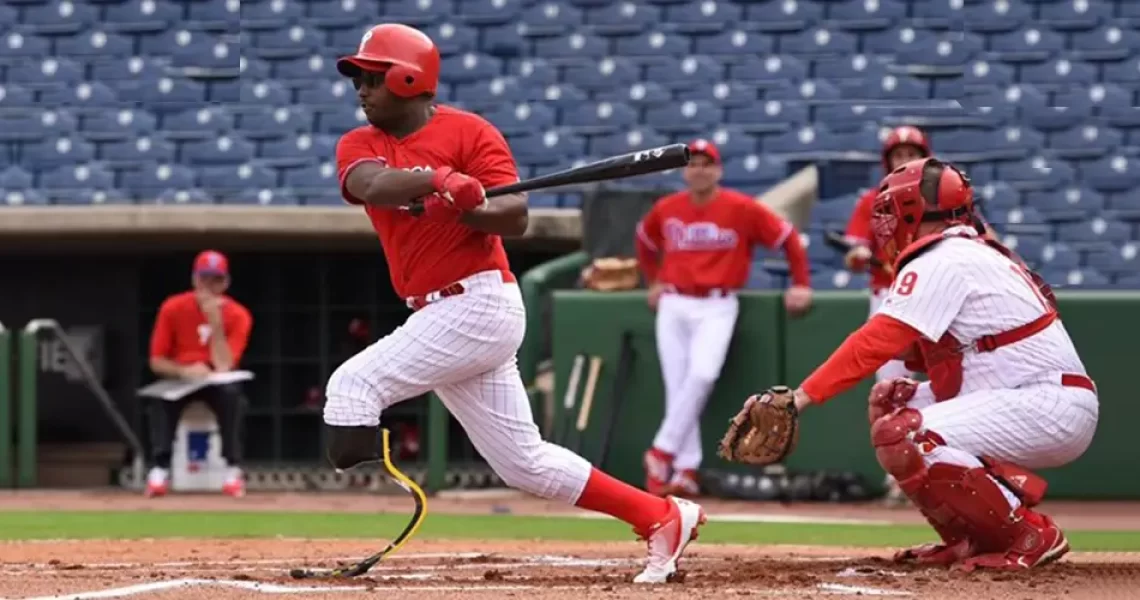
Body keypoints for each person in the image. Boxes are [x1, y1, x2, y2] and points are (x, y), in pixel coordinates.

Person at [327, 23, 704, 584]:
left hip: (477, 302)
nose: (361, 88)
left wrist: (469, 206)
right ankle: (660, 516)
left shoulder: (471, 132)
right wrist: (438, 179)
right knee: (523, 464)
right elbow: (372, 186)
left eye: (372, 77)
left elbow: (515, 217)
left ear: (408, 79)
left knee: (352, 387)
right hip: (438, 312)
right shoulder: (360, 143)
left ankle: (376, 505)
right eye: (358, 78)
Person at [755, 157, 1098, 570]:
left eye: (891, 213)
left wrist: (801, 397)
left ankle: (1029, 534)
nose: (885, 225)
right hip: (1023, 389)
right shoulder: (963, 250)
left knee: (906, 433)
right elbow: (928, 352)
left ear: (913, 211)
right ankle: (969, 538)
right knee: (892, 404)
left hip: (1045, 401)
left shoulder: (943, 258)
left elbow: (876, 341)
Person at [635, 139, 813, 498]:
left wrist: (801, 283)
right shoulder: (667, 208)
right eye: (693, 163)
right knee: (678, 387)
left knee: (702, 375)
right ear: (685, 171)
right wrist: (652, 281)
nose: (699, 170)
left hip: (718, 303)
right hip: (674, 302)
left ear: (718, 170)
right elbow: (645, 240)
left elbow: (788, 238)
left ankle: (661, 451)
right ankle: (685, 469)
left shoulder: (741, 207)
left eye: (706, 163)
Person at [145, 250, 253, 498]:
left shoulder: (238, 315)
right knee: (160, 400)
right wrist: (184, 371)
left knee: (233, 397)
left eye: (216, 280)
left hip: (216, 379)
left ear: (225, 283)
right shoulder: (173, 307)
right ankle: (160, 469)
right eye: (204, 279)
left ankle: (232, 469)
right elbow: (156, 361)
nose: (209, 286)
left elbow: (225, 365)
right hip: (181, 377)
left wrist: (216, 323)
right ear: (195, 279)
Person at [843, 125, 932, 383]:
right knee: (891, 384)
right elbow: (852, 257)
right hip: (890, 295)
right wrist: (858, 254)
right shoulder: (872, 201)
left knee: (949, 377)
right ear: (888, 161)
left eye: (911, 154)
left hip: (933, 291)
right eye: (899, 155)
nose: (905, 161)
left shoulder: (940, 197)